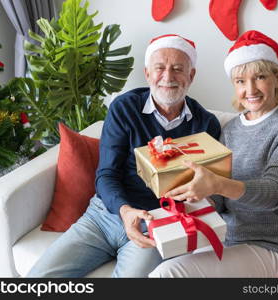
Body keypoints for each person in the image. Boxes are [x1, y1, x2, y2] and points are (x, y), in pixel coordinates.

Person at [27, 34, 221, 277]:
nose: (168, 77)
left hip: (157, 223)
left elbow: (208, 184)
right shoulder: (125, 108)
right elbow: (106, 174)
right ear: (148, 73)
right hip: (104, 216)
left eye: (178, 69)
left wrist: (205, 197)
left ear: (190, 76)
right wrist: (124, 210)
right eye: (159, 68)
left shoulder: (207, 124)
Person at [149, 30, 278, 278]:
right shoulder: (231, 130)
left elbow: (276, 191)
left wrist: (217, 183)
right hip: (227, 239)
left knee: (168, 275)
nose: (250, 89)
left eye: (259, 77)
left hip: (277, 249)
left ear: (276, 78)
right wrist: (189, 196)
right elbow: (218, 199)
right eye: (240, 81)